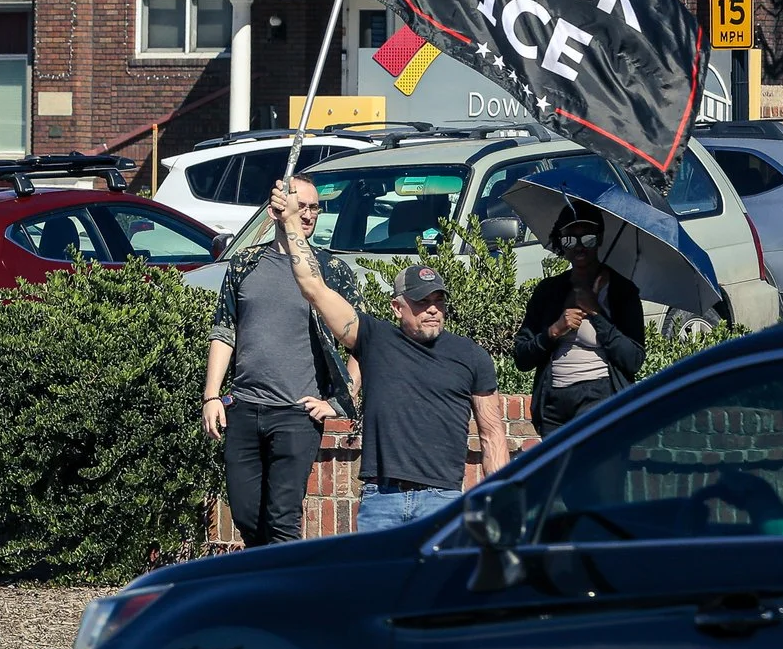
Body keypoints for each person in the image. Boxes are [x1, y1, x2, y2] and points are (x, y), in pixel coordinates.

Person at [270, 184, 509, 532]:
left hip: (442, 500)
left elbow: (492, 435)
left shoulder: (471, 356)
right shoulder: (374, 339)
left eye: (438, 302)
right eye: (421, 302)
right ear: (398, 307)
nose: (432, 310)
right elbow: (314, 288)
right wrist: (291, 221)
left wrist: (499, 502)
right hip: (381, 499)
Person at [203, 176, 358, 548]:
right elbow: (224, 331)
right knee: (245, 515)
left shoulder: (330, 270)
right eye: (299, 206)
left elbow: (361, 340)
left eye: (314, 207)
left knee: (282, 519)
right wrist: (211, 396)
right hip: (244, 407)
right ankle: (266, 578)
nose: (307, 215)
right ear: (275, 211)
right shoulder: (245, 264)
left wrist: (339, 400)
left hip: (296, 413)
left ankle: (286, 584)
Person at [512, 206, 645, 433]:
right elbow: (522, 358)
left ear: (600, 238)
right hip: (553, 404)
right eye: (570, 239)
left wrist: (596, 313)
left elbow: (633, 359)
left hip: (599, 397)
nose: (580, 246)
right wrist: (554, 331)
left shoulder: (622, 292)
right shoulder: (548, 290)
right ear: (561, 242)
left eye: (588, 238)